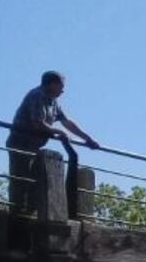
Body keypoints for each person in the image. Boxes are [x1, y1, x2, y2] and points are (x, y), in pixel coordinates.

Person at [6, 71, 99, 212]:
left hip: (34, 146)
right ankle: (18, 212)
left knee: (34, 179)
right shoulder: (37, 96)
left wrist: (87, 138)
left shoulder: (53, 101)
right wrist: (59, 132)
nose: (63, 90)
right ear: (52, 84)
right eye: (61, 86)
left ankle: (29, 210)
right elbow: (37, 123)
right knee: (21, 178)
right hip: (21, 142)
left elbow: (66, 122)